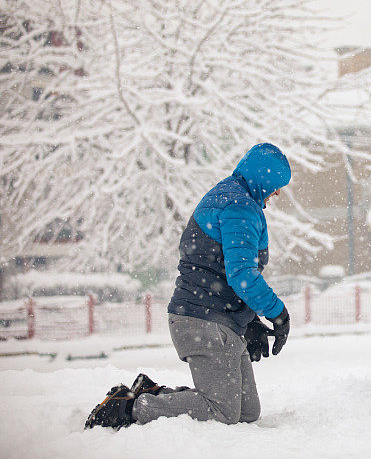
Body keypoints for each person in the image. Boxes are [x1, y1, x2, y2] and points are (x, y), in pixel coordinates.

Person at [85, 143, 292, 429]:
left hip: (218, 320)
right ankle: (128, 408)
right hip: (203, 321)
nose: (278, 192)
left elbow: (218, 268)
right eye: (276, 185)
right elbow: (241, 274)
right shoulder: (239, 206)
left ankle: (151, 393)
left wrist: (250, 319)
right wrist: (278, 313)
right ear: (262, 179)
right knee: (221, 411)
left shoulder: (231, 196)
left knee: (246, 412)